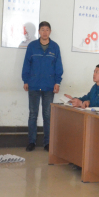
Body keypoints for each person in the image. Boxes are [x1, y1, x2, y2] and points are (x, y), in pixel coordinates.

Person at [22, 21, 63, 152]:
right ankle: (31, 142)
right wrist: (25, 80)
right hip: (33, 85)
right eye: (42, 30)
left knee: (47, 115)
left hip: (49, 86)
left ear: (50, 32)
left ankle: (47, 143)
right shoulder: (32, 46)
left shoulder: (55, 47)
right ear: (39, 32)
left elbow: (58, 66)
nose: (45, 32)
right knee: (33, 114)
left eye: (47, 30)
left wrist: (57, 82)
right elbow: (26, 64)